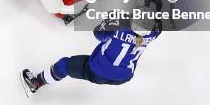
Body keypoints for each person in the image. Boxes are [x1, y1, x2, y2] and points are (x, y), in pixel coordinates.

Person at [20, 15, 161, 97]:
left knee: (64, 65)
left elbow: (98, 34)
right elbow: (157, 24)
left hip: (96, 71)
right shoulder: (153, 34)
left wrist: (108, 21)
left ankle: (36, 83)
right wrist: (154, 8)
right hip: (123, 77)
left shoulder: (119, 26)